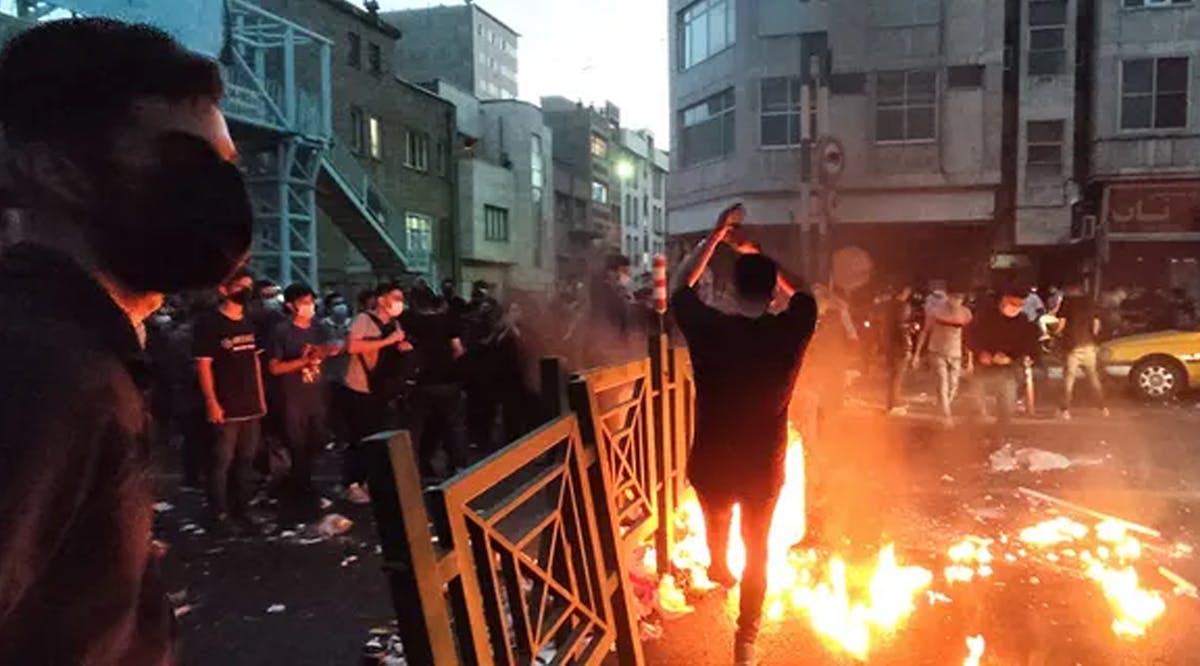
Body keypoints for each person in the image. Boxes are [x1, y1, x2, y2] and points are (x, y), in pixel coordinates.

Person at [0, 18, 250, 663]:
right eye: (179, 160)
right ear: (52, 171)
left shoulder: (83, 348)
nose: (214, 193)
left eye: (224, 166)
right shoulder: (45, 371)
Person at [670, 204, 817, 666]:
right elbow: (807, 291)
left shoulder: (710, 328)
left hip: (711, 462)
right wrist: (760, 251)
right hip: (762, 466)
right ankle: (747, 642)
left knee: (717, 521)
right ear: (773, 292)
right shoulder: (790, 330)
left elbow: (679, 287)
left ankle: (716, 561)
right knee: (758, 550)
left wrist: (715, 237)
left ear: (731, 290)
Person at [194, 270, 269, 532]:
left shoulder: (249, 321)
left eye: (249, 287)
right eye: (240, 287)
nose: (245, 292)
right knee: (221, 463)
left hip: (250, 405)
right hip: (226, 405)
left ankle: (242, 511)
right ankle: (218, 514)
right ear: (224, 290)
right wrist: (211, 401)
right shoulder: (210, 323)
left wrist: (260, 398)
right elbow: (203, 365)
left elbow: (255, 362)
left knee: (245, 462)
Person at [268, 284, 341, 513]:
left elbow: (335, 345)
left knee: (314, 444)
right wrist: (303, 362)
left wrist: (327, 351)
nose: (310, 306)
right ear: (291, 305)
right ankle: (299, 493)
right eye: (304, 302)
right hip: (292, 396)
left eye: (311, 301)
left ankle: (299, 488)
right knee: (297, 447)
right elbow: (274, 368)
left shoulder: (318, 327)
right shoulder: (282, 331)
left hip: (315, 394)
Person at [338, 283, 411, 503]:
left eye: (401, 297)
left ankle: (372, 482)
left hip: (382, 389)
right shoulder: (363, 320)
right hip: (360, 387)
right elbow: (352, 347)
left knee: (379, 437)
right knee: (360, 437)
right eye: (395, 297)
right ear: (381, 300)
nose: (399, 302)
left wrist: (401, 347)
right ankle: (352, 483)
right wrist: (388, 341)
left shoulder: (395, 323)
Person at [403, 284, 470, 480]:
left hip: (419, 381)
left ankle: (412, 470)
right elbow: (458, 350)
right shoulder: (448, 320)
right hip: (447, 380)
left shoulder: (410, 320)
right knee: (453, 426)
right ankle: (458, 467)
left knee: (417, 429)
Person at [966, 287, 1041, 424]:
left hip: (1007, 371)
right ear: (1003, 300)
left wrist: (1015, 357)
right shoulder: (985, 317)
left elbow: (1029, 345)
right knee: (977, 410)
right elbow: (970, 337)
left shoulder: (1022, 322)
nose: (1015, 308)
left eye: (1020, 305)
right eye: (1013, 303)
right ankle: (973, 439)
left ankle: (999, 437)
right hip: (983, 371)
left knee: (1006, 408)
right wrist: (981, 353)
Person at [914, 288, 973, 427]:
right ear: (949, 297)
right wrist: (917, 353)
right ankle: (946, 415)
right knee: (942, 383)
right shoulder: (936, 311)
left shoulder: (965, 314)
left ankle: (942, 407)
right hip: (937, 351)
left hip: (956, 353)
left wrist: (970, 359)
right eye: (954, 297)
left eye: (960, 298)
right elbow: (925, 331)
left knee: (954, 385)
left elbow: (970, 337)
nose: (956, 301)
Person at [1056, 282, 1108, 420]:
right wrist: (1093, 337)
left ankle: (1065, 410)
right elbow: (1097, 324)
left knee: (1068, 379)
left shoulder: (1066, 302)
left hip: (1073, 346)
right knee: (1093, 378)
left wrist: (1056, 334)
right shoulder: (1090, 302)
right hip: (1089, 345)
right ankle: (1103, 408)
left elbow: (1061, 324)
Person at [882, 285, 914, 415]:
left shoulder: (888, 306)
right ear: (905, 291)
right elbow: (902, 327)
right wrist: (908, 346)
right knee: (898, 375)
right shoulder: (903, 306)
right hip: (899, 345)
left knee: (893, 375)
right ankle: (893, 403)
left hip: (888, 344)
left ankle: (892, 401)